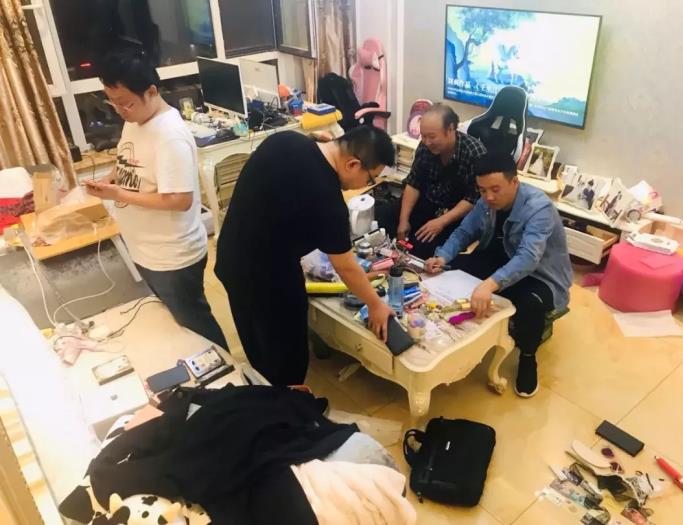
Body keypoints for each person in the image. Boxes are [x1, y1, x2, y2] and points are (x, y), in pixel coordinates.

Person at [215, 127, 396, 386]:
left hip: (231, 257)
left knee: (255, 338)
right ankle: (285, 400)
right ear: (353, 164)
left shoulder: (285, 140)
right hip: (268, 278)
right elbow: (345, 266)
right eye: (370, 179)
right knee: (286, 358)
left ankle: (263, 387)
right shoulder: (328, 201)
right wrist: (376, 305)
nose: (367, 186)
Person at [84, 50, 228, 350]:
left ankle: (228, 374)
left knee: (196, 327)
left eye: (125, 103)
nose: (119, 110)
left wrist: (117, 194)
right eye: (112, 102)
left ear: (151, 91)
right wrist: (111, 178)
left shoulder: (169, 135)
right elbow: (129, 159)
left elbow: (179, 200)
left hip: (172, 256)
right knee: (177, 326)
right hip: (146, 250)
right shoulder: (136, 119)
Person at [425, 152, 572, 397]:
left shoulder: (539, 208)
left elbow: (528, 258)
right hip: (499, 257)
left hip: (539, 274)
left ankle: (528, 357)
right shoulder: (485, 200)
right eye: (482, 190)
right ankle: (454, 334)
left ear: (514, 182)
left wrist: (489, 285)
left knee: (531, 305)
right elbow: (465, 231)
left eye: (495, 189)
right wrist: (443, 257)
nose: (489, 197)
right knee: (450, 270)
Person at [375, 104, 486, 259]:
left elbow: (473, 199)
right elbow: (414, 182)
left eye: (432, 137)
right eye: (423, 136)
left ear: (450, 129)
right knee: (378, 218)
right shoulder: (425, 146)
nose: (426, 142)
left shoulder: (474, 152)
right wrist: (403, 220)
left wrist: (441, 222)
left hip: (452, 213)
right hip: (425, 202)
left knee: (421, 249)